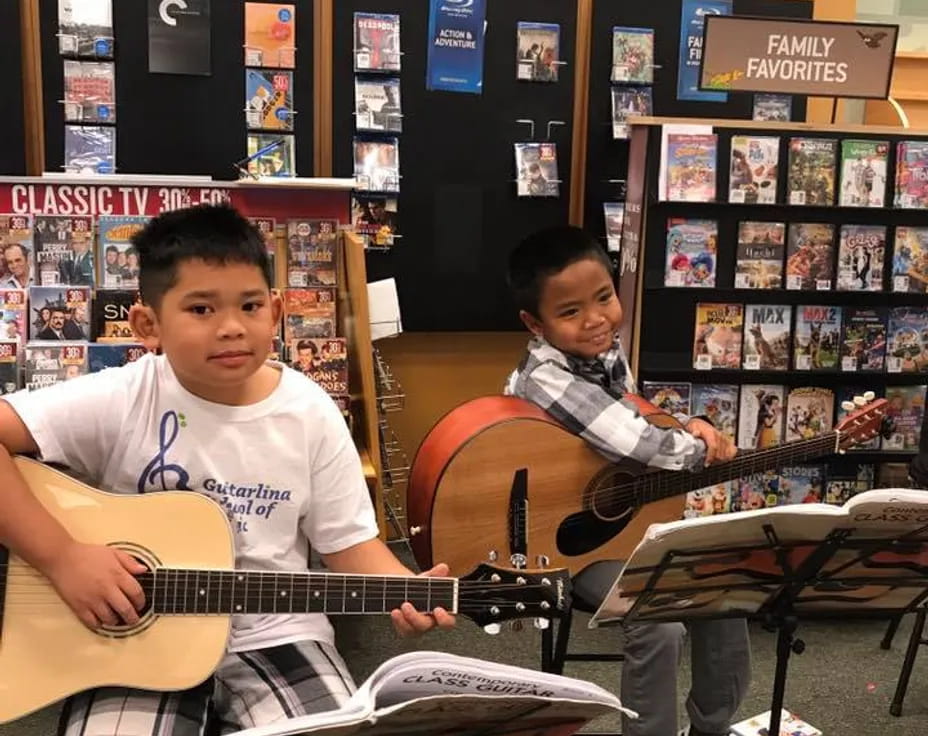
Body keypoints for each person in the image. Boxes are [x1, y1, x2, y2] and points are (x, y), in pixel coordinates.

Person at [0, 204, 455, 736]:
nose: (232, 328)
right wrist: (62, 558)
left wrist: (404, 589)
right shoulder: (125, 396)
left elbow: (347, 543)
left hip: (278, 631)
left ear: (277, 312)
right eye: (200, 309)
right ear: (149, 324)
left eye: (250, 305)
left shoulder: (309, 412)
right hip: (136, 630)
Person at [504, 225, 750, 736]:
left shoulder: (605, 355)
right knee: (659, 621)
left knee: (726, 591)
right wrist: (705, 447)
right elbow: (641, 445)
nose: (596, 321)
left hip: (612, 529)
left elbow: (634, 420)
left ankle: (712, 727)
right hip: (554, 541)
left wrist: (687, 425)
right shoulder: (546, 377)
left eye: (604, 298)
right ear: (534, 322)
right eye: (570, 312)